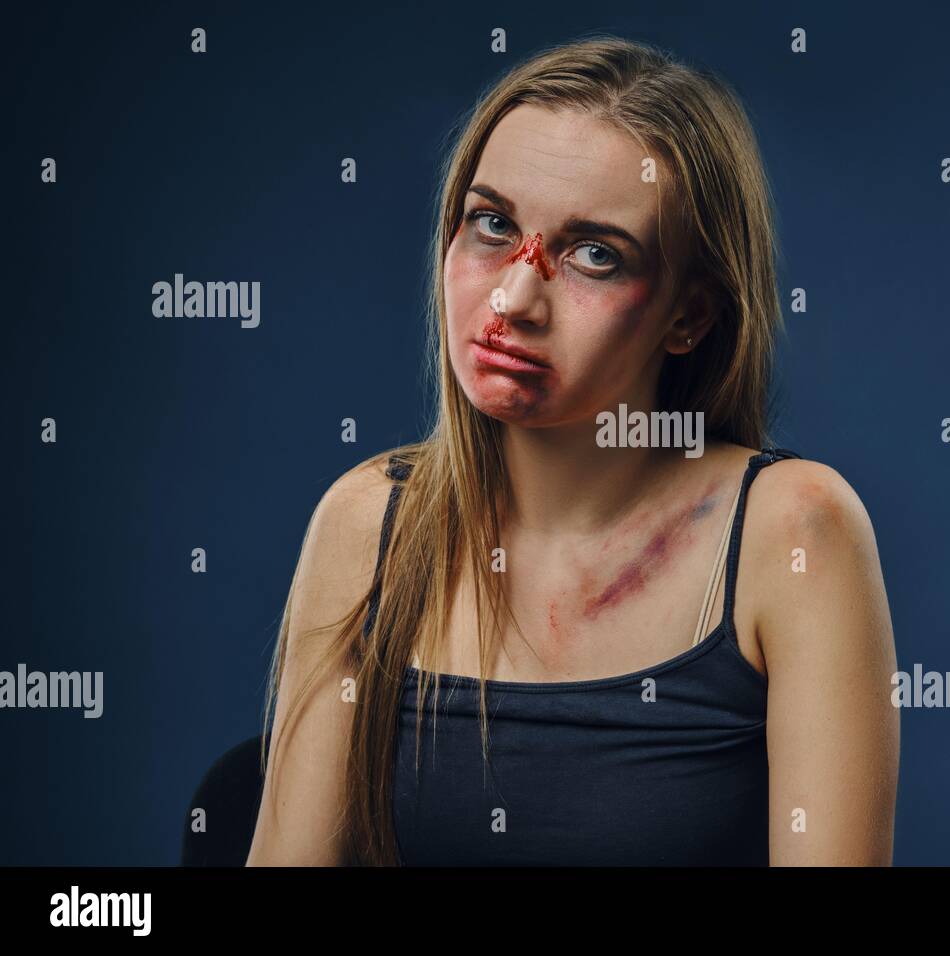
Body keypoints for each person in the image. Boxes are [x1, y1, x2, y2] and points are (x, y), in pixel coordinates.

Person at [246, 35, 898, 866]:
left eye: (594, 254)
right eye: (492, 226)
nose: (514, 298)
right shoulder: (370, 520)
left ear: (688, 316)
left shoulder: (797, 533)